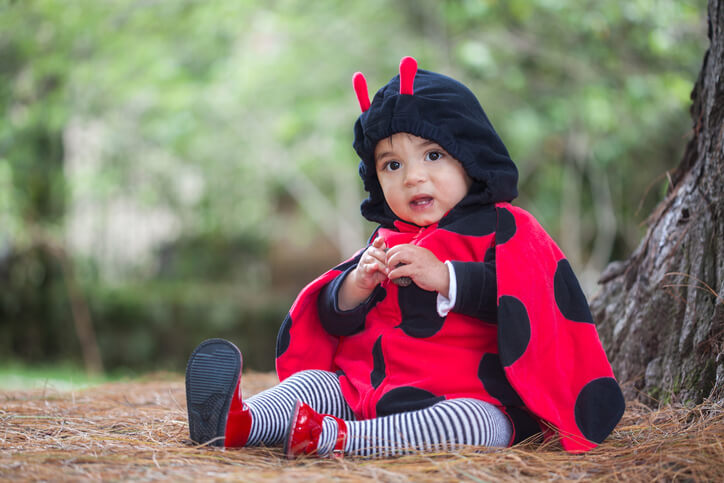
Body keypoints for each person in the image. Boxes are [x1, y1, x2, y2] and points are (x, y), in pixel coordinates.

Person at [185, 57, 625, 458]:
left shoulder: (504, 229)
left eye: (433, 155)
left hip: (460, 396)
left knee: (481, 426)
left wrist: (448, 277)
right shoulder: (387, 239)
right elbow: (335, 324)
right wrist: (354, 288)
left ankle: (336, 439)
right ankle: (243, 421)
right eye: (391, 165)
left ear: (470, 158)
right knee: (313, 384)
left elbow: (531, 301)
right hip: (366, 390)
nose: (413, 177)